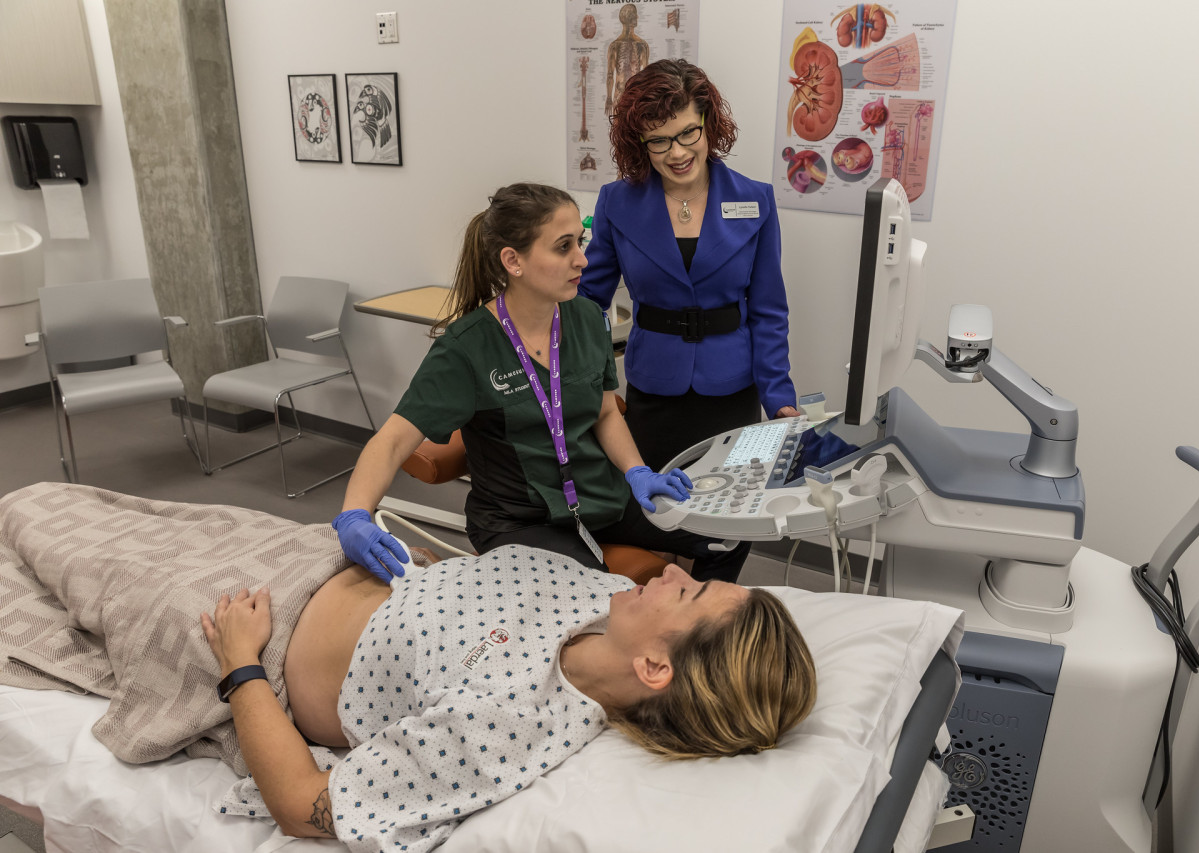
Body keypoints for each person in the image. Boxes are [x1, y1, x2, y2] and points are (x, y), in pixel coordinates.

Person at [202, 548, 818, 846]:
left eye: (687, 593)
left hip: (252, 624)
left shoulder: (504, 729)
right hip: (313, 553)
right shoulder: (609, 596)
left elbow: (299, 804)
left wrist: (239, 661)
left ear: (655, 666)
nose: (673, 572)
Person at [333, 182, 751, 584]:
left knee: (727, 536)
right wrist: (355, 514)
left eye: (580, 242)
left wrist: (638, 471)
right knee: (600, 595)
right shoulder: (465, 350)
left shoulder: (588, 319)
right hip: (519, 520)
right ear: (513, 261)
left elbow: (605, 410)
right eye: (563, 247)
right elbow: (391, 442)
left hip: (599, 497)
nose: (582, 261)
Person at [579, 59, 801, 472]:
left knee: (726, 516)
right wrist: (594, 381)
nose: (677, 152)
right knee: (658, 515)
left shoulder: (757, 201)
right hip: (653, 386)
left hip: (732, 387)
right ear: (639, 143)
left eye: (687, 133)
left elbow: (769, 310)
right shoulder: (616, 202)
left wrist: (779, 397)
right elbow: (588, 302)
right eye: (658, 141)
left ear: (708, 124)